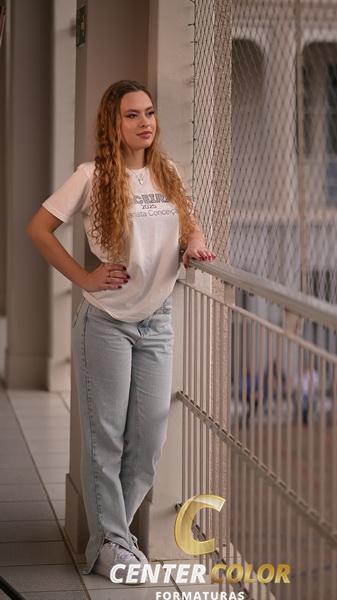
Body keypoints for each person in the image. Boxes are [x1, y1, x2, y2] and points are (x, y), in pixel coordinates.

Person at [26, 80, 216, 582]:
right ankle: (112, 544)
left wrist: (194, 242)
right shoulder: (91, 176)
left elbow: (190, 224)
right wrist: (85, 276)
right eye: (132, 115)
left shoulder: (167, 172)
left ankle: (113, 539)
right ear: (113, 124)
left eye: (149, 112)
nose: (145, 122)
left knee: (149, 439)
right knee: (105, 440)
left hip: (158, 322)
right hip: (106, 323)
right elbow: (38, 229)